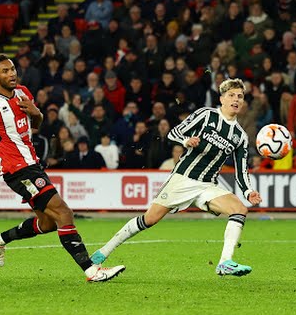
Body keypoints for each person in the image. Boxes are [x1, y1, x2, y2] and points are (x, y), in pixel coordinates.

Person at [0, 54, 124, 282]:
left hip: (32, 164)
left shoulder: (23, 92)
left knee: (47, 223)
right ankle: (92, 270)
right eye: (5, 71)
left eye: (13, 69)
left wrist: (36, 113)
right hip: (17, 169)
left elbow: (35, 124)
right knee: (64, 213)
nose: (12, 73)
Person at [91, 79, 263, 276]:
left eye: (240, 96)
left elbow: (241, 170)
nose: (236, 99)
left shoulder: (240, 136)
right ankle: (102, 253)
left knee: (239, 209)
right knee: (150, 219)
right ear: (222, 98)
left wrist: (248, 191)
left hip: (207, 186)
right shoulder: (206, 115)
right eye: (231, 95)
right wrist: (186, 141)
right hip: (183, 179)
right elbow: (174, 133)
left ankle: (225, 262)